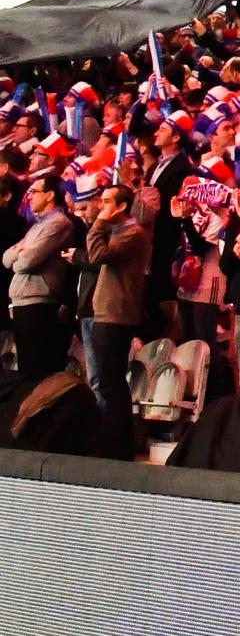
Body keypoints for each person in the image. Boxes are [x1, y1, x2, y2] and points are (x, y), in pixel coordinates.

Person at [77, 181, 150, 453]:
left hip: (116, 315)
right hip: (107, 312)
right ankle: (114, 440)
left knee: (111, 381)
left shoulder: (132, 233)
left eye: (107, 201)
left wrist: (98, 223)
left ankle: (117, 443)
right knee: (108, 380)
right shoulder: (120, 231)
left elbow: (97, 255)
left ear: (121, 206)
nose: (101, 206)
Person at [4, 175, 77, 381]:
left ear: (50, 195)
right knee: (25, 368)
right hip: (23, 300)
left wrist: (19, 254)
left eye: (34, 191)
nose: (30, 196)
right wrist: (19, 253)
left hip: (39, 301)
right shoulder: (37, 225)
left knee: (37, 369)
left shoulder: (58, 223)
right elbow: (5, 258)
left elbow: (24, 262)